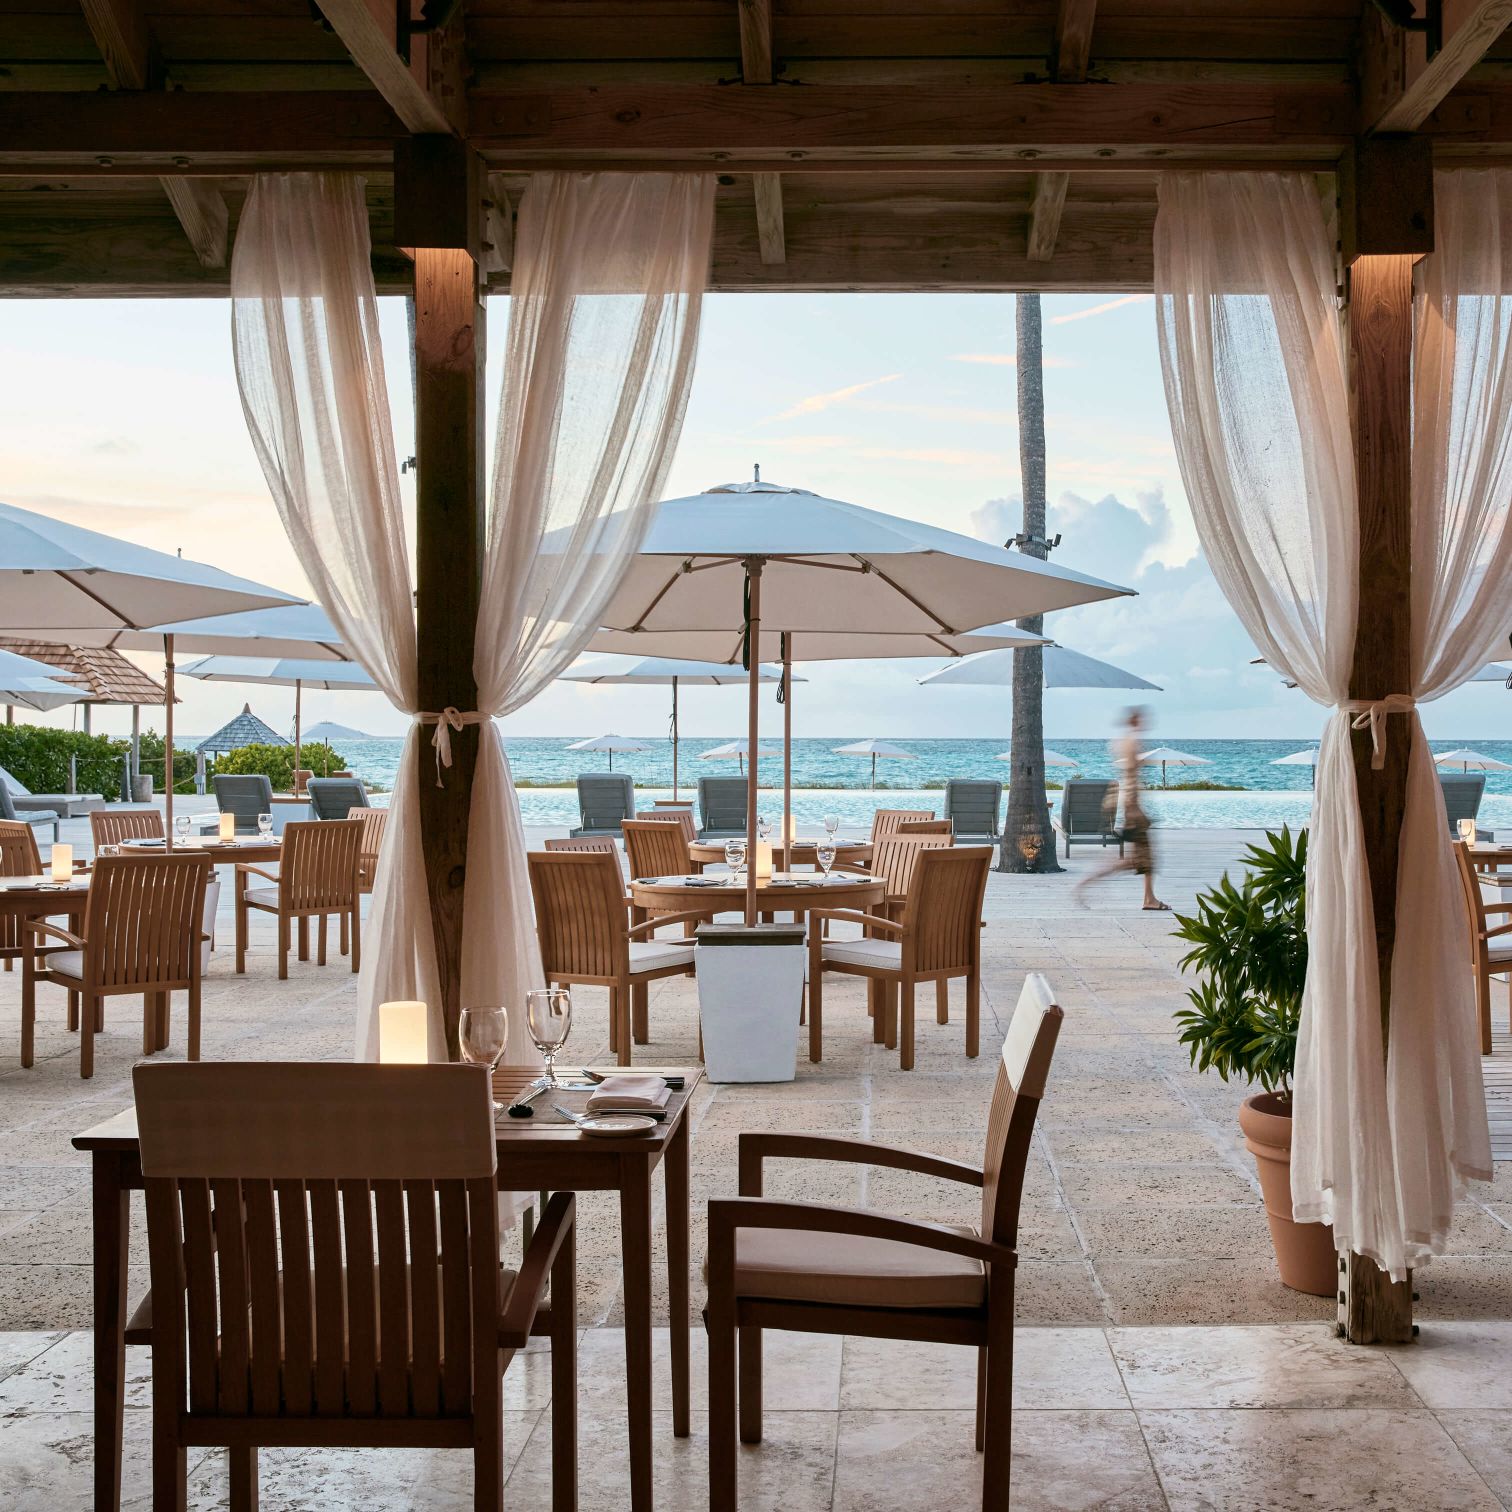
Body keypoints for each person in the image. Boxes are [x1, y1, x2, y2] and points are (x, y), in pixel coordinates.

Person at [1073, 707, 1169, 911]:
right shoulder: (1132, 742)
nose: (1145, 722)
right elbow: (1132, 780)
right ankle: (1086, 883)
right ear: (1134, 720)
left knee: (1142, 859)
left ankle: (1149, 898)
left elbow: (1128, 777)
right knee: (1134, 861)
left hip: (1130, 807)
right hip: (1133, 809)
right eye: (1141, 718)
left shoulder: (1121, 742)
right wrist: (1134, 810)